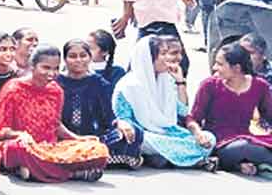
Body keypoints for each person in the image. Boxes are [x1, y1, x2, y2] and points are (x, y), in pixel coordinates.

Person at [0, 46, 110, 183]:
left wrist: (78, 138)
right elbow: (2, 130)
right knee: (16, 149)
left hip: (50, 148)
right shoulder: (13, 88)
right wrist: (21, 135)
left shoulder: (56, 91)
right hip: (23, 146)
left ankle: (33, 171)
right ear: (32, 66)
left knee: (98, 149)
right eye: (46, 68)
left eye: (56, 68)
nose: (52, 73)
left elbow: (56, 125)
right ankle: (73, 174)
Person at [111, 36, 215, 170]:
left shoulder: (167, 80)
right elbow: (124, 120)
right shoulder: (128, 86)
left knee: (209, 138)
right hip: (145, 135)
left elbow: (183, 111)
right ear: (149, 57)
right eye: (163, 54)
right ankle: (195, 160)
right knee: (142, 140)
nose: (168, 58)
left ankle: (163, 158)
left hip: (168, 132)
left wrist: (180, 82)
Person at [57, 39, 142, 168]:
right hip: (63, 137)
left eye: (83, 56)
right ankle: (95, 159)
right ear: (65, 59)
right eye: (72, 56)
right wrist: (73, 137)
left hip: (95, 138)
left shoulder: (98, 82)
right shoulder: (56, 82)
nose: (78, 60)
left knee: (134, 132)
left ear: (90, 58)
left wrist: (120, 123)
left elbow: (109, 114)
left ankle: (84, 159)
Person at [191, 43, 272, 176]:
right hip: (219, 144)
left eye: (219, 64)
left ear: (237, 68)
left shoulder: (260, 86)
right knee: (243, 148)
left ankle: (244, 164)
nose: (214, 67)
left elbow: (269, 115)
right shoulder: (209, 85)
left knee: (250, 146)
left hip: (247, 139)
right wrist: (198, 133)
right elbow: (193, 118)